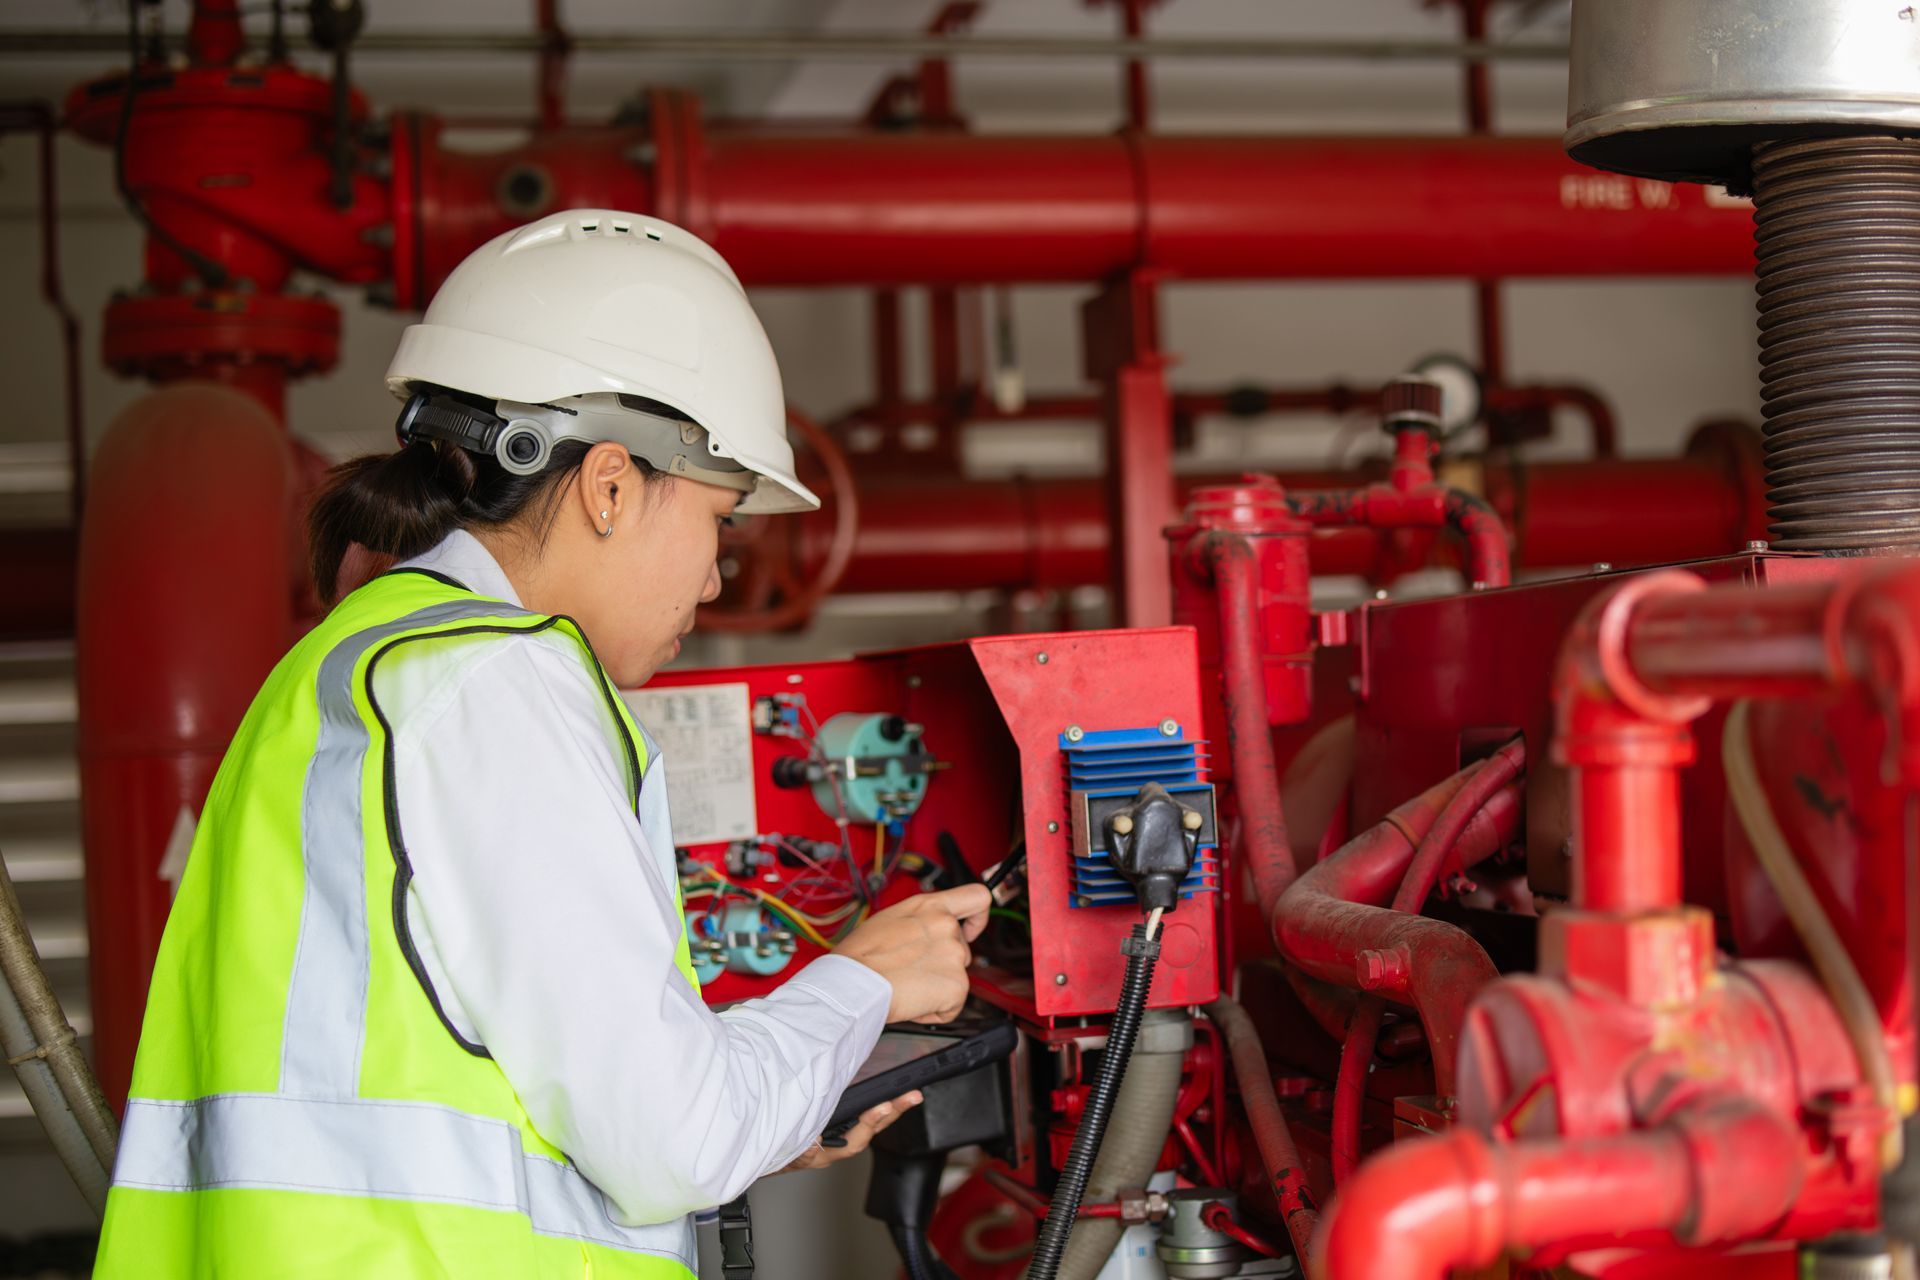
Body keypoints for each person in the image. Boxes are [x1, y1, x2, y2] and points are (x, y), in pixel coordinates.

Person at [93, 209, 991, 1278]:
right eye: (722, 522)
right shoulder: (497, 680)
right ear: (611, 485)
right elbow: (676, 1140)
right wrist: (863, 981)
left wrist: (774, 1106)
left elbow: (494, 1106)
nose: (714, 576)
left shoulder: (361, 667)